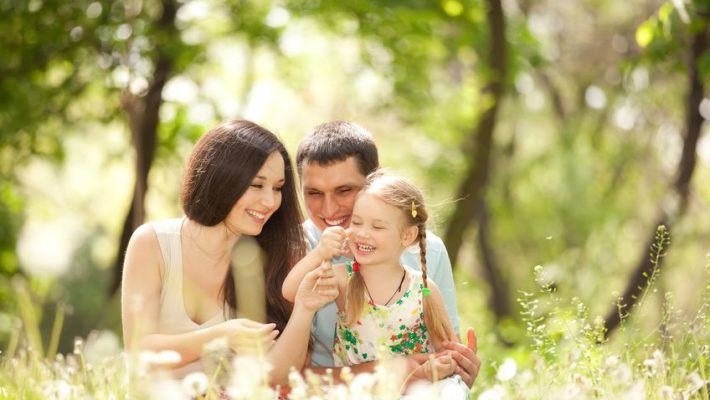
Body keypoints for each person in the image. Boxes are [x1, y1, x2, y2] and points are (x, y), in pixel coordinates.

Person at [120, 119, 337, 385]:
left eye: (278, 188)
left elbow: (277, 376)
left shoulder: (270, 257)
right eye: (257, 185)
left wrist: (305, 308)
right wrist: (219, 337)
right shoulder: (153, 243)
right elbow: (140, 352)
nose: (270, 201)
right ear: (222, 180)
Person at [292, 121, 480, 387]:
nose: (330, 208)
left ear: (375, 182)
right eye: (314, 193)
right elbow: (283, 376)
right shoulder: (298, 249)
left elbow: (446, 352)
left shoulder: (428, 251)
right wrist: (381, 371)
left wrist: (460, 368)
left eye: (344, 190)